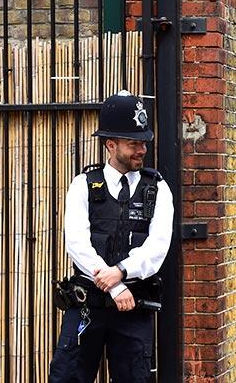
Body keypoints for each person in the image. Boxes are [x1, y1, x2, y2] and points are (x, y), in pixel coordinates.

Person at [49, 90, 173, 382]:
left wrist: (121, 271)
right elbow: (77, 245)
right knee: (68, 377)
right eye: (133, 144)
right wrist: (114, 286)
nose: (141, 150)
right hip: (86, 306)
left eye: (143, 142)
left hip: (134, 308)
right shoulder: (83, 185)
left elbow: (157, 248)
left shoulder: (157, 189)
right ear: (110, 144)